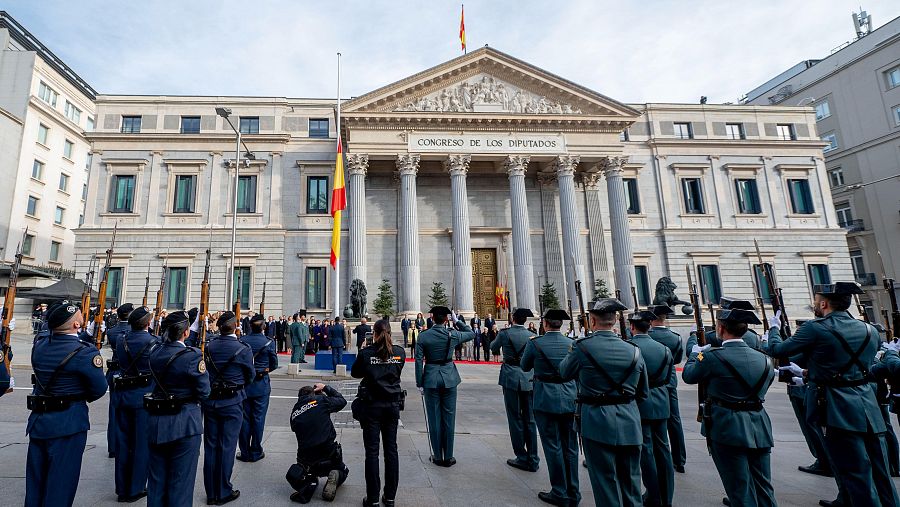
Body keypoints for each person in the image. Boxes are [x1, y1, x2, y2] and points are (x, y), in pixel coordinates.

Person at [766, 282, 900, 507]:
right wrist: (811, 373)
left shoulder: (815, 328)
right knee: (881, 473)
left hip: (836, 408)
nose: (815, 304)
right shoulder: (869, 329)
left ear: (824, 303)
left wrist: (773, 329)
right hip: (868, 405)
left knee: (856, 473)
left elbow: (777, 350)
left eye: (816, 300)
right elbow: (856, 368)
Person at [558, 298, 648, 507]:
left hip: (596, 421)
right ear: (615, 320)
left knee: (605, 483)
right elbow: (643, 393)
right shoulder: (634, 350)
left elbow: (564, 372)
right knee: (632, 485)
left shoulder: (582, 347)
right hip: (630, 423)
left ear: (591, 320)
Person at [684, 306, 776, 507]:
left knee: (738, 488)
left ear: (721, 328)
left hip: (727, 426)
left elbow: (689, 375)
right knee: (764, 487)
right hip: (759, 425)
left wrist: (696, 354)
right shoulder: (765, 359)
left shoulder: (711, 357)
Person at [25, 301, 108, 507]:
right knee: (60, 485)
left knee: (36, 484)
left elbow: (46, 333)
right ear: (76, 326)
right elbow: (98, 388)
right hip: (68, 423)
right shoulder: (84, 353)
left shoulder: (40, 345)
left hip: (39, 422)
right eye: (80, 315)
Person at [145, 311, 210, 507]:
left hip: (157, 421)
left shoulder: (154, 351)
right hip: (184, 423)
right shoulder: (191, 356)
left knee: (156, 481)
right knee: (180, 483)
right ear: (185, 332)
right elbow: (204, 391)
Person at [521, 309, 580, 507]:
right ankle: (574, 491)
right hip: (570, 397)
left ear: (545, 324)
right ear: (561, 324)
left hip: (545, 397)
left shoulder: (535, 343)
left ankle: (559, 491)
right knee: (570, 446)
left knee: (552, 445)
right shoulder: (573, 344)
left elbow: (524, 366)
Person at [351, 319, 406, 507]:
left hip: (372, 407)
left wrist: (366, 349)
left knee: (372, 453)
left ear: (373, 334)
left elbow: (355, 373)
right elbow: (396, 370)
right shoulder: (399, 352)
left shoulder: (367, 353)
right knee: (391, 451)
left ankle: (373, 499)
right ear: (390, 333)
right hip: (392, 407)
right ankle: (390, 498)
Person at [202, 311, 255, 505]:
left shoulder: (209, 346)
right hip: (232, 401)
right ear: (236, 326)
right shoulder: (242, 348)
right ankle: (222, 491)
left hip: (211, 401)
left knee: (211, 447)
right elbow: (250, 375)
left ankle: (211, 492)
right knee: (227, 447)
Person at [415, 306, 475, 466]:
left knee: (434, 417)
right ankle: (448, 455)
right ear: (447, 319)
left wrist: (419, 382)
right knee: (449, 417)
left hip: (431, 378)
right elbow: (472, 333)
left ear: (432, 318)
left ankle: (437, 455)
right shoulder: (452, 334)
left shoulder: (423, 336)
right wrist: (459, 322)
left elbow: (418, 361)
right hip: (449, 377)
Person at [113, 306, 160, 502]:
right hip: (143, 396)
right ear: (148, 323)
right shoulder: (154, 343)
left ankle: (122, 487)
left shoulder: (120, 339)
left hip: (123, 395)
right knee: (141, 445)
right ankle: (136, 487)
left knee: (123, 443)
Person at [628, 310, 674, 507]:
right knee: (663, 448)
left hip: (640, 401)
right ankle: (667, 496)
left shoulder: (630, 348)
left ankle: (653, 495)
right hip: (661, 400)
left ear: (632, 327)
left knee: (646, 450)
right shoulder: (664, 349)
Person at [491, 308, 540, 472]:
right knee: (530, 419)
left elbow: (493, 347)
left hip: (511, 377)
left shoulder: (505, 334)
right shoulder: (532, 336)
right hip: (529, 378)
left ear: (512, 318)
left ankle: (521, 456)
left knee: (515, 418)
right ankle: (533, 458)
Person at [287, 383, 350, 503]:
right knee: (343, 471)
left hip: (307, 459)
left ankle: (310, 480)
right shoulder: (320, 400)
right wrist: (325, 388)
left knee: (305, 471)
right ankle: (336, 473)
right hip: (329, 452)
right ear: (314, 394)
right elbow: (342, 401)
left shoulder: (294, 413)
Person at [647, 305, 687, 474]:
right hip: (669, 382)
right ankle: (679, 459)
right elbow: (676, 360)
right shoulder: (675, 338)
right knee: (674, 420)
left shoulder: (645, 336)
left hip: (649, 384)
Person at [238, 314, 278, 462]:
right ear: (263, 327)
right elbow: (274, 363)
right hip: (261, 385)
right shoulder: (268, 342)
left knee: (245, 419)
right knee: (258, 419)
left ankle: (244, 451)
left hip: (245, 385)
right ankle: (256, 451)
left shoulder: (242, 340)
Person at [106, 302, 134, 459]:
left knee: (114, 410)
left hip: (115, 371)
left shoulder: (112, 331)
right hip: (130, 373)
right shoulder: (133, 331)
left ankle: (113, 446)